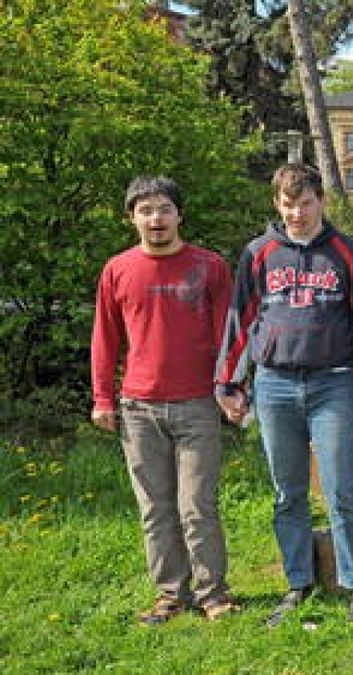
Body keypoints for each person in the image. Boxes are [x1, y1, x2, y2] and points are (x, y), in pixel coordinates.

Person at [214, 164, 353, 626]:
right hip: (275, 385)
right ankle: (297, 582)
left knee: (343, 489)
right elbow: (241, 319)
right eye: (289, 205)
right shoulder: (259, 253)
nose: (298, 214)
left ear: (321, 201)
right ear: (276, 205)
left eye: (306, 204)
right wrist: (229, 383)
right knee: (288, 491)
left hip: (334, 382)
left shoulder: (349, 253)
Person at [90, 175, 239, 625]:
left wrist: (230, 388)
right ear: (132, 217)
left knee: (197, 505)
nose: (156, 219)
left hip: (197, 404)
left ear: (179, 215)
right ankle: (170, 595)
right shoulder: (117, 270)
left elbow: (227, 338)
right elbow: (105, 338)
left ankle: (213, 594)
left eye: (164, 209)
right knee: (155, 508)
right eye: (146, 210)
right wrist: (103, 398)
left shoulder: (210, 267)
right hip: (138, 407)